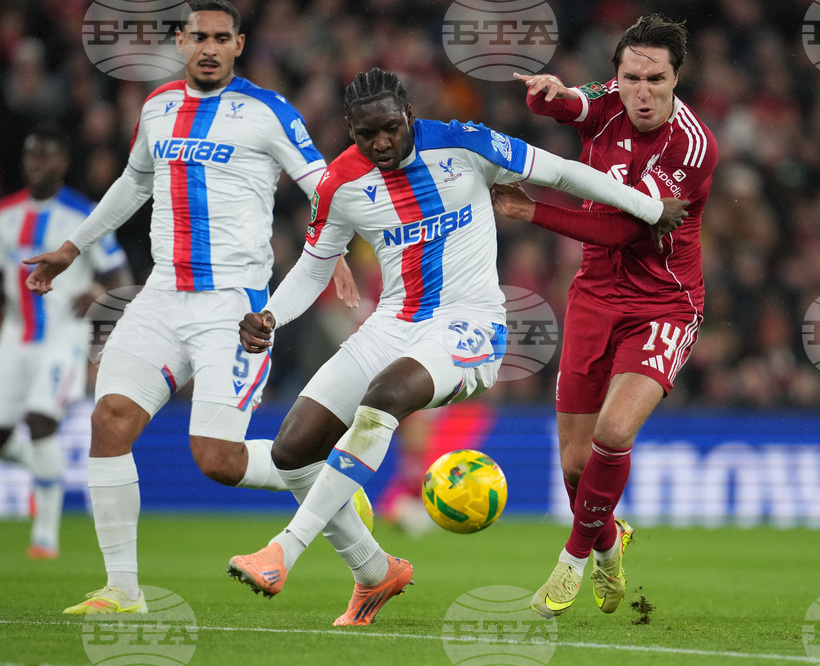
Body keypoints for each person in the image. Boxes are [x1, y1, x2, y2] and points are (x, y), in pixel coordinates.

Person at [225, 66, 687, 626]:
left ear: (408, 118)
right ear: (351, 132)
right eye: (367, 135)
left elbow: (562, 173)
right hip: (391, 324)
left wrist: (646, 206)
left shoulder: (464, 143)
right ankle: (375, 572)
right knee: (291, 450)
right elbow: (314, 266)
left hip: (469, 325)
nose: (381, 143)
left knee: (387, 394)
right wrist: (271, 314)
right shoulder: (339, 186)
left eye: (391, 129)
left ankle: (283, 551)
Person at [24, 0, 358, 614]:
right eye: (197, 36)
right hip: (161, 295)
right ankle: (122, 589)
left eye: (220, 37)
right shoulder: (157, 108)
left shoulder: (268, 112)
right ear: (181, 42)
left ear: (239, 44)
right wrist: (72, 248)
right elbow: (133, 183)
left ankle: (324, 483)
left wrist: (332, 252)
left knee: (218, 460)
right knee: (110, 421)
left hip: (232, 306)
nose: (208, 46)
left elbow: (322, 183)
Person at [500, 14, 719, 618]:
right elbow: (568, 107)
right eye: (631, 78)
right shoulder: (609, 99)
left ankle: (571, 563)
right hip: (595, 295)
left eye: (657, 80)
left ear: (678, 79)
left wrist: (532, 211)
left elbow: (628, 226)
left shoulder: (692, 146)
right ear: (617, 75)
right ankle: (607, 540)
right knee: (574, 467)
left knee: (613, 433)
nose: (642, 92)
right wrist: (547, 92)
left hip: (664, 302)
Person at [0, 124, 132, 560]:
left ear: (63, 162)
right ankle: (46, 475)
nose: (38, 162)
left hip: (63, 337)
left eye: (47, 155)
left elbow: (120, 281)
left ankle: (45, 539)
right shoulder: (6, 214)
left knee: (41, 421)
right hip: (14, 337)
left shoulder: (85, 217)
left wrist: (97, 298)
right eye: (32, 154)